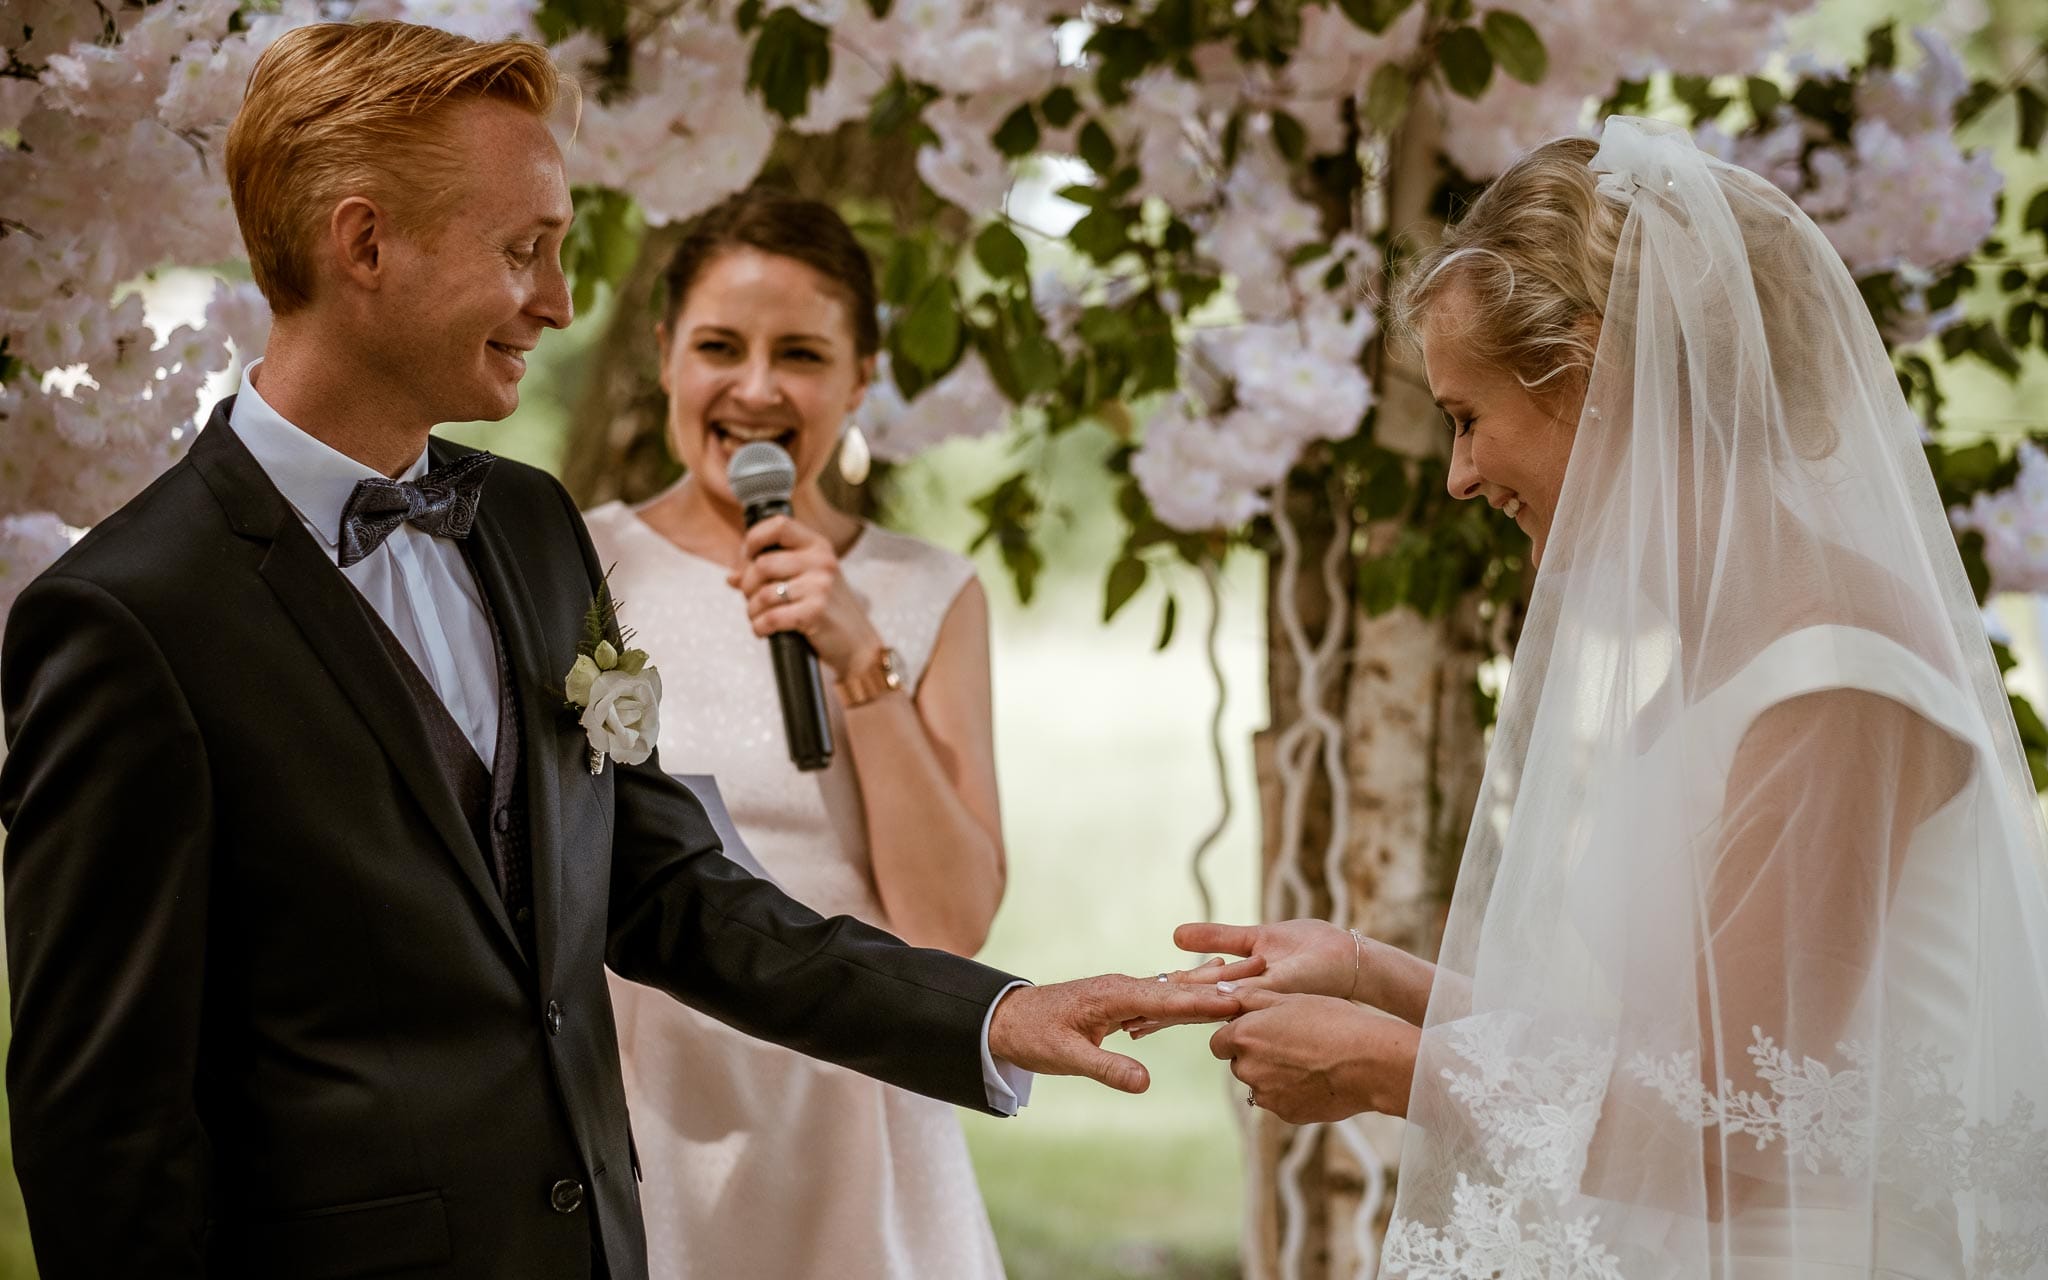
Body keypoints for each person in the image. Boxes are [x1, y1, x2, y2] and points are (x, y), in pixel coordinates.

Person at [0, 22, 1237, 1280]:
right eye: (523, 249)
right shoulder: (127, 621)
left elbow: (665, 887)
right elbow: (106, 1135)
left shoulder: (530, 526)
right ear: (364, 242)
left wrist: (992, 1010)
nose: (560, 299)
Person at [1171, 117, 2048, 1276]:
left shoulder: (1834, 676)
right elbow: (1639, 1046)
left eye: (1467, 417)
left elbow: (1744, 1118)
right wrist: (1372, 975)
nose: (1460, 474)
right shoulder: (1722, 656)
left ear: (1589, 368)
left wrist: (1393, 1069)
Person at [582, 191, 1008, 1279]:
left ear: (861, 375)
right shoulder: (582, 566)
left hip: (852, 1109)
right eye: (720, 345)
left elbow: (948, 923)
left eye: (802, 354)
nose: (757, 388)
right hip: (642, 1104)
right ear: (667, 354)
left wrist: (859, 655)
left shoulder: (929, 591)